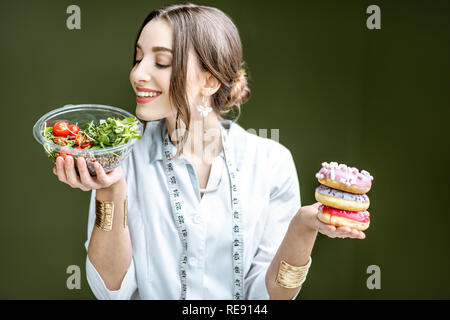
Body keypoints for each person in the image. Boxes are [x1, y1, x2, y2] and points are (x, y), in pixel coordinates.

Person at [53, 2, 365, 300]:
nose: (137, 74)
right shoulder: (121, 158)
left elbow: (270, 296)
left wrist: (303, 226)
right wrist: (111, 190)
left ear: (210, 80)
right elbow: (111, 291)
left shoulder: (271, 163)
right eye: (138, 58)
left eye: (161, 61)